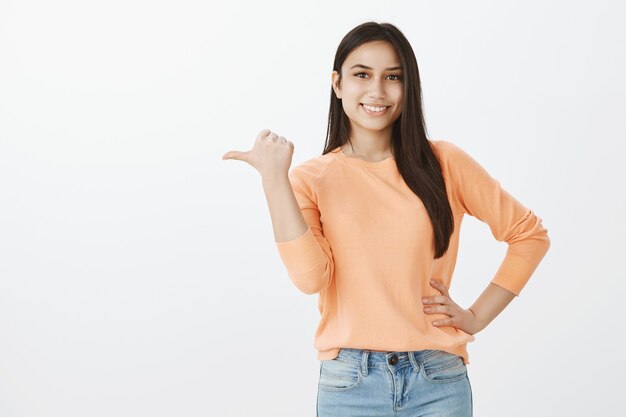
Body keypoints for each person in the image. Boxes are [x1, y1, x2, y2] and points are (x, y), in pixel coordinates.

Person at [222, 21, 550, 417]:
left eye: (393, 77)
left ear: (408, 87)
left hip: (437, 379)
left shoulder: (445, 163)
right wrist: (274, 180)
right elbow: (311, 279)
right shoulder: (310, 179)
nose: (377, 91)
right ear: (338, 83)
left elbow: (528, 235)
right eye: (362, 74)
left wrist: (476, 317)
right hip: (350, 384)